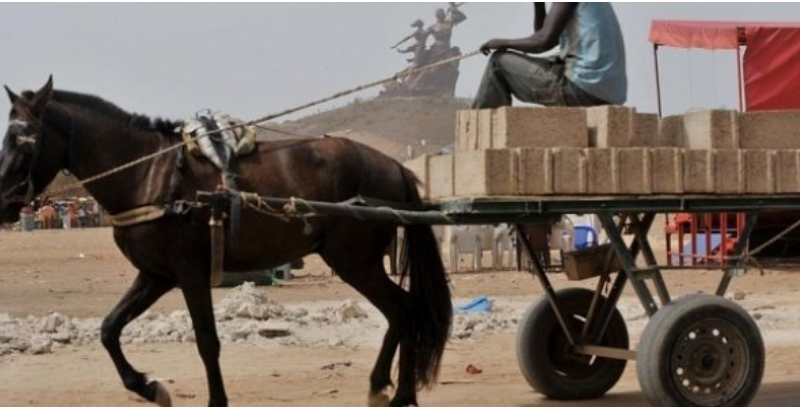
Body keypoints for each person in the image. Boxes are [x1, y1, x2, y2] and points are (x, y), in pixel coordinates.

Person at [473, 2, 626, 109]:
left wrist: (500, 42)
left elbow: (542, 41)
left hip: (581, 90)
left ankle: (476, 136)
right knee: (554, 59)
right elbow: (545, 34)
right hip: (607, 95)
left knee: (498, 63)